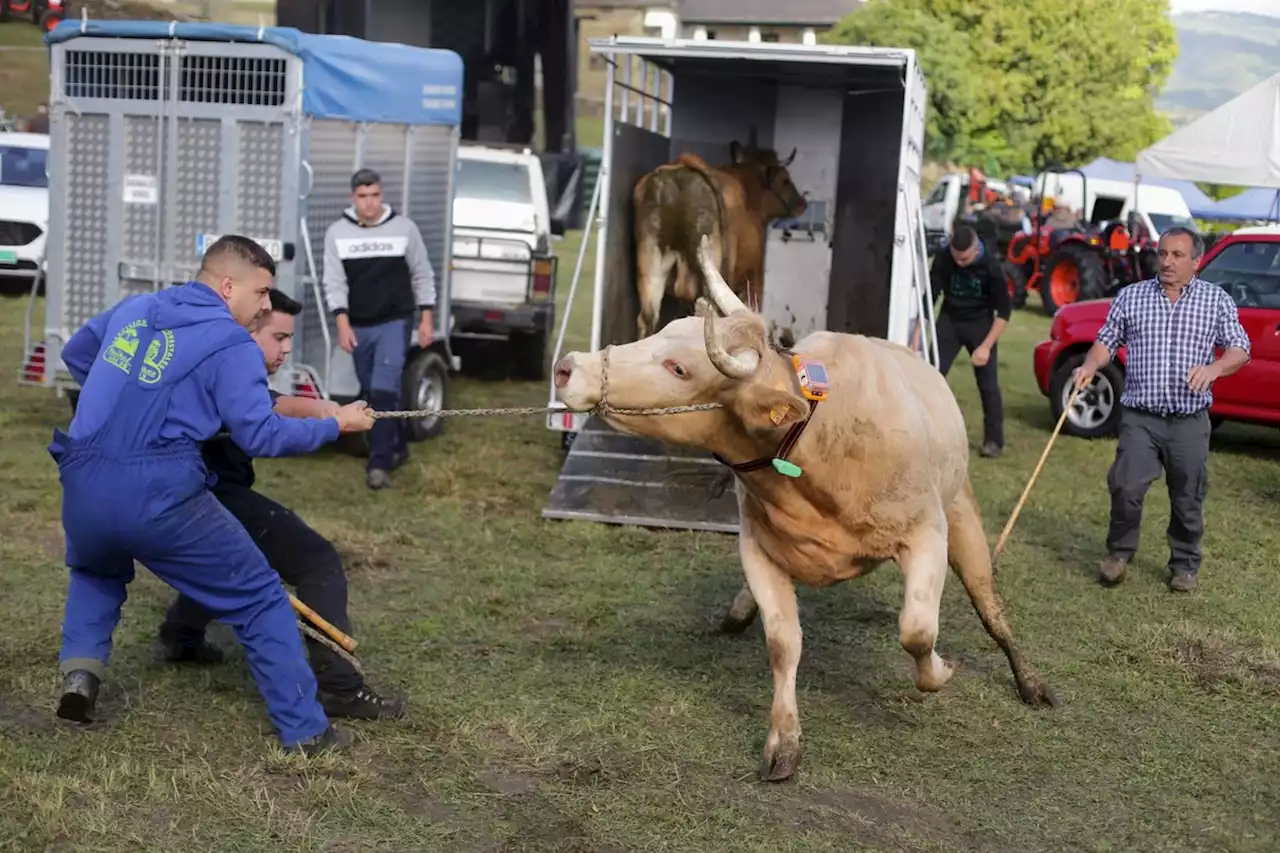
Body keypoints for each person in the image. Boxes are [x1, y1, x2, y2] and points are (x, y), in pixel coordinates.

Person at [51, 235, 374, 755]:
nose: (267, 305)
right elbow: (261, 435)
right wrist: (335, 425)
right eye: (262, 292)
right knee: (260, 596)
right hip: (160, 487)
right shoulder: (231, 342)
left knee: (96, 571)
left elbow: (77, 352)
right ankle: (308, 732)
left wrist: (124, 407)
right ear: (228, 287)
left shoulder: (137, 307)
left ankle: (80, 677)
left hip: (82, 473)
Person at [156, 289, 405, 720]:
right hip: (201, 494)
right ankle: (341, 688)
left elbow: (275, 403)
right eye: (278, 337)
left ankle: (182, 634)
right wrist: (332, 426)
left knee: (234, 554)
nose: (287, 349)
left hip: (180, 495)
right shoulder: (225, 362)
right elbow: (267, 432)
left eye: (290, 339)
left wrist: (327, 409)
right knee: (316, 560)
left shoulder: (206, 361)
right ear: (245, 330)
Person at [1072, 227, 1251, 593]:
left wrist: (1214, 368)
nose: (1167, 262)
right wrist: (1090, 366)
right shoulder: (1132, 297)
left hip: (1189, 420)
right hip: (1141, 417)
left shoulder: (1215, 301)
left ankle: (1184, 564)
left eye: (1177, 255)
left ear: (1196, 262)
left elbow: (1240, 348)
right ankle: (1118, 553)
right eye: (1163, 253)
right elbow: (1106, 341)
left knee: (1188, 495)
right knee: (1125, 486)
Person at [323, 168, 437, 491]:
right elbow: (334, 281)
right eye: (362, 197)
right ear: (353, 198)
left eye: (374, 195)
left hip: (395, 320)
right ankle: (398, 446)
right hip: (358, 323)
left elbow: (422, 274)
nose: (369, 203)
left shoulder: (405, 229)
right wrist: (342, 323)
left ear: (381, 195)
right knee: (372, 389)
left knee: (385, 386)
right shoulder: (337, 234)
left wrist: (426, 318)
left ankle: (379, 462)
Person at [930, 224, 1011, 459]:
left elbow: (1004, 312)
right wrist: (917, 336)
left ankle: (994, 441)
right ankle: (927, 432)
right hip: (949, 320)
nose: (959, 264)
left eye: (964, 260)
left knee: (988, 385)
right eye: (956, 259)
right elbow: (931, 297)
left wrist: (985, 346)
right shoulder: (945, 258)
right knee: (931, 376)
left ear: (976, 250)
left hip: (980, 324)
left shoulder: (992, 267)